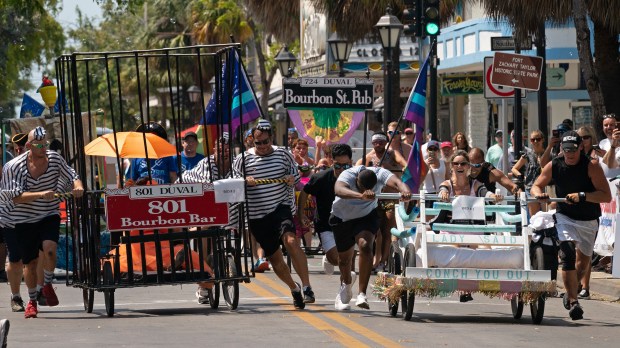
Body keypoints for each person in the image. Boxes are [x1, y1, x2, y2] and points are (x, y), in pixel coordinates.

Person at [0, 126, 84, 318]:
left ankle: (45, 284)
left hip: (48, 213)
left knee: (50, 249)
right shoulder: (14, 166)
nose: (43, 148)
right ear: (29, 146)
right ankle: (29, 299)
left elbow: (72, 175)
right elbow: (16, 197)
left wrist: (78, 187)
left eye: (45, 143)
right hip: (20, 218)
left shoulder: (54, 158)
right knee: (26, 262)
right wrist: (40, 194)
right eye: (39, 144)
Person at [233, 119, 313, 309]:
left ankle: (308, 287)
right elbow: (235, 183)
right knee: (276, 260)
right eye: (257, 143)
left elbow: (295, 177)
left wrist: (290, 179)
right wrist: (245, 181)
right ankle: (294, 288)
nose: (262, 146)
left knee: (292, 241)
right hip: (257, 215)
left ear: (271, 139)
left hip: (280, 207)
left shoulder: (283, 154)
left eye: (265, 142)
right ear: (252, 141)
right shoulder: (242, 159)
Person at [531, 131, 611, 320]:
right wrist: (539, 194)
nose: (570, 154)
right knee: (567, 255)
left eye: (574, 149)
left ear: (580, 148)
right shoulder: (555, 165)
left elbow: (606, 195)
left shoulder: (591, 166)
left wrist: (583, 196)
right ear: (561, 149)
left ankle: (570, 292)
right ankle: (574, 302)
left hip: (588, 219)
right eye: (566, 149)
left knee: (582, 264)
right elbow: (536, 185)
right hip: (565, 215)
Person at [331, 166, 411, 310]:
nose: (364, 191)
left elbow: (397, 182)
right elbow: (338, 189)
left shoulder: (380, 173)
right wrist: (360, 196)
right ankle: (346, 284)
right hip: (342, 217)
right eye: (361, 188)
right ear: (356, 180)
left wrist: (404, 190)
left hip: (366, 216)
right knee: (344, 260)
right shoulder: (348, 174)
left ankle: (362, 294)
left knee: (365, 245)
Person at [437, 150, 503, 302]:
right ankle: (463, 287)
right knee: (456, 252)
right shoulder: (447, 184)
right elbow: (442, 190)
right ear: (451, 166)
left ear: (468, 166)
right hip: (451, 228)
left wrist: (493, 196)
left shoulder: (476, 184)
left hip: (473, 229)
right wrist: (443, 194)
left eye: (463, 163)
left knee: (484, 252)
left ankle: (468, 287)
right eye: (456, 163)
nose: (459, 166)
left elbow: (485, 193)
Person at [298, 144, 354, 276]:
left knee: (348, 259)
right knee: (337, 259)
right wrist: (301, 214)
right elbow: (304, 192)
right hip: (325, 224)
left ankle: (345, 289)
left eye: (345, 166)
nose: (341, 170)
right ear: (331, 162)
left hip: (348, 222)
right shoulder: (321, 177)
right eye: (337, 166)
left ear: (351, 163)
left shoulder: (357, 177)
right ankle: (329, 258)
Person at [356, 132, 408, 272]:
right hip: (374, 199)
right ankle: (372, 260)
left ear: (386, 142)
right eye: (375, 142)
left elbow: (406, 165)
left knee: (387, 231)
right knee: (372, 232)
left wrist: (389, 167)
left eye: (381, 142)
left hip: (390, 198)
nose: (378, 144)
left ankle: (383, 262)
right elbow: (356, 171)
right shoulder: (367, 158)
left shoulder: (392, 154)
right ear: (372, 143)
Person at [511, 130, 552, 216]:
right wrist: (522, 177)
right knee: (534, 217)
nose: (536, 142)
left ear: (542, 140)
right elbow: (514, 168)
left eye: (538, 139)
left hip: (545, 187)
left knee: (547, 215)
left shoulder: (549, 154)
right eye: (533, 140)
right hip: (530, 187)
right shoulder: (528, 154)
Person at [422, 140, 449, 205]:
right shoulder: (423, 163)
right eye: (430, 149)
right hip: (428, 194)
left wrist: (447, 190)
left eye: (435, 149)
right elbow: (420, 180)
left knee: (441, 214)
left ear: (438, 151)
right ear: (427, 151)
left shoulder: (444, 163)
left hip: (441, 193)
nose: (433, 151)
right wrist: (427, 167)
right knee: (428, 215)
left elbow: (448, 179)